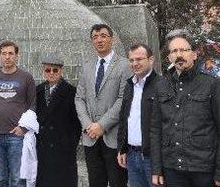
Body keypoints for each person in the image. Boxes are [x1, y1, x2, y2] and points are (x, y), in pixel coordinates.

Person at [150, 30, 220, 187]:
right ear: (169, 57)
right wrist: (156, 168)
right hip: (172, 170)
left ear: (195, 54)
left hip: (204, 171)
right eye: (174, 51)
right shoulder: (161, 86)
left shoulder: (214, 85)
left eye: (184, 50)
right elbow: (156, 130)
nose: (179, 54)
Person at [75, 24, 130, 187]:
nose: (99, 40)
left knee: (117, 182)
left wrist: (102, 125)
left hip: (113, 137)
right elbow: (79, 98)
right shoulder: (87, 66)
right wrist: (87, 125)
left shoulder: (125, 65)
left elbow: (123, 99)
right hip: (90, 137)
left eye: (103, 36)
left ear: (111, 39)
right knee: (95, 182)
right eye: (95, 37)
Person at [0, 40, 37, 187]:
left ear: (17, 55)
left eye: (11, 53)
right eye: (4, 53)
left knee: (17, 179)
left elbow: (33, 105)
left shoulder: (26, 77)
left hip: (16, 135)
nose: (7, 57)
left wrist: (23, 128)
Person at [34, 54, 81, 187]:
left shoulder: (71, 92)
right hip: (43, 147)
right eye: (48, 70)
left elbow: (76, 123)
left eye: (55, 70)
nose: (51, 73)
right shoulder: (38, 90)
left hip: (62, 148)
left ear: (61, 71)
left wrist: (70, 144)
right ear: (43, 71)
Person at [116, 44, 159, 187]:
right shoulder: (129, 86)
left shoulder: (162, 85)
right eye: (131, 60)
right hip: (131, 155)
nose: (134, 63)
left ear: (151, 60)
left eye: (139, 59)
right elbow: (124, 119)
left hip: (152, 158)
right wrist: (122, 148)